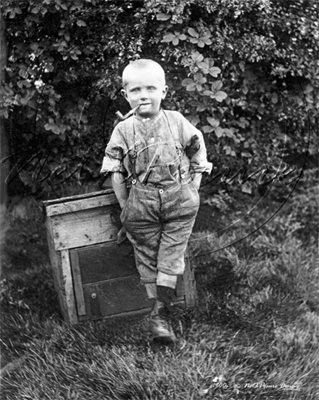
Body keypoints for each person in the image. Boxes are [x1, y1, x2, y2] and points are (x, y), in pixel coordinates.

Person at [100, 59, 211, 343]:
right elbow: (113, 168)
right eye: (136, 90)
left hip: (179, 202)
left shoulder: (175, 121)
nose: (144, 95)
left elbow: (197, 151)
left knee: (171, 256)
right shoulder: (123, 130)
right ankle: (161, 310)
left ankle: (159, 316)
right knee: (148, 257)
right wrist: (127, 206)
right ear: (126, 96)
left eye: (151, 88)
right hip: (142, 204)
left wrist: (193, 189)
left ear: (164, 90)